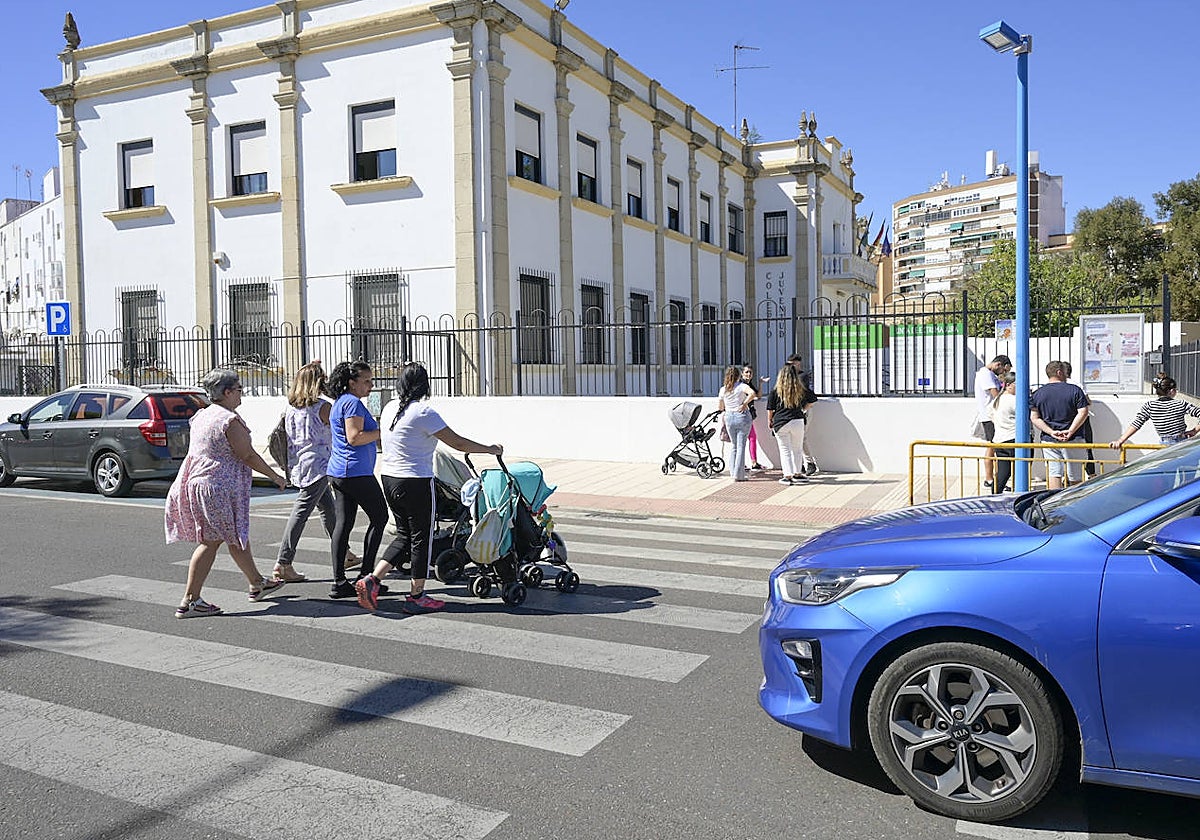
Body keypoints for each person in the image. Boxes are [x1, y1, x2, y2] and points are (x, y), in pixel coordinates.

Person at [355, 362, 505, 613]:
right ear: (424, 385)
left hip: (389, 478)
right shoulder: (423, 412)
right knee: (420, 540)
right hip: (416, 482)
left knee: (404, 535)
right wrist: (490, 449)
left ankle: (372, 579)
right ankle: (417, 596)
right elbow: (457, 442)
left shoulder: (390, 407)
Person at [166, 368, 288, 618]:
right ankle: (190, 600)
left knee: (233, 535)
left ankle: (257, 582)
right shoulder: (228, 420)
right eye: (239, 389)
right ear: (228, 392)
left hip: (200, 483)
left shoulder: (203, 415)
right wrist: (275, 476)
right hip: (216, 487)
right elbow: (248, 455)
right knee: (211, 541)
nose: (242, 393)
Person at [273, 361, 358, 582]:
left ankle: (345, 553)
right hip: (319, 465)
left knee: (328, 509)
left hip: (300, 463)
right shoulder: (323, 407)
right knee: (301, 512)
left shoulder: (291, 408)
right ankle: (283, 562)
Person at [327, 361, 390, 599]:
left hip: (341, 471)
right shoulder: (352, 403)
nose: (371, 385)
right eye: (366, 381)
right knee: (380, 516)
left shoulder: (341, 402)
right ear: (352, 382)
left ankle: (339, 581)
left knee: (344, 524)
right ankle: (366, 577)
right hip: (355, 471)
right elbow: (355, 437)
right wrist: (383, 432)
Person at [1030, 360, 1089, 490]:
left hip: (1049, 440)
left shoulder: (1038, 393)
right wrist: (1070, 431)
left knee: (1054, 473)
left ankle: (1054, 503)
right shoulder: (1075, 390)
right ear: (1059, 372)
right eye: (1065, 373)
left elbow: (1034, 418)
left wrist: (1051, 432)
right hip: (1074, 438)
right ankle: (1077, 504)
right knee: (1076, 475)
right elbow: (1083, 412)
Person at [1110, 373, 1200, 448]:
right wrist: (1194, 431)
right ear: (1172, 391)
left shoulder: (1150, 406)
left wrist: (1120, 440)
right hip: (1181, 443)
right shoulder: (1181, 404)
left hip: (1163, 445)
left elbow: (1136, 424)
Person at [767, 364, 812, 485]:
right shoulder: (800, 389)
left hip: (781, 422)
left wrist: (770, 421)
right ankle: (797, 474)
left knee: (785, 450)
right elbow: (812, 400)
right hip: (798, 421)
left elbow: (770, 409)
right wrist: (803, 410)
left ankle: (787, 476)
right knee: (797, 449)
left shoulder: (775, 391)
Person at [973, 355, 1012, 488]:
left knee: (994, 446)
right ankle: (990, 479)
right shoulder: (986, 374)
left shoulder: (988, 374)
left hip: (991, 416)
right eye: (1004, 370)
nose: (1004, 374)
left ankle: (995, 478)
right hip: (990, 417)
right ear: (999, 364)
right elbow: (995, 394)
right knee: (993, 446)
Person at [718, 364, 757, 481]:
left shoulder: (723, 389)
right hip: (742, 417)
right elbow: (752, 393)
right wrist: (744, 404)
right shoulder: (741, 386)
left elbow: (720, 407)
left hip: (729, 417)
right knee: (741, 446)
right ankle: (739, 475)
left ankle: (733, 472)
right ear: (738, 376)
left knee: (734, 446)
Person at [786, 354, 820, 475]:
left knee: (801, 437)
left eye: (793, 364)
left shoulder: (802, 376)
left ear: (798, 364)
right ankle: (800, 464)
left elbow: (804, 392)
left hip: (804, 409)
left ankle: (809, 463)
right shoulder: (787, 377)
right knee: (794, 438)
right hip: (792, 410)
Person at [990, 372, 1017, 494]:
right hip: (1014, 439)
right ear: (1009, 385)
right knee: (1020, 473)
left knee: (1003, 472)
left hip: (1000, 440)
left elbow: (990, 415)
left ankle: (994, 495)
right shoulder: (1015, 400)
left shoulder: (997, 399)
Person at [740, 364, 770, 471]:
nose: (748, 374)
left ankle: (753, 462)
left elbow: (758, 396)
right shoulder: (742, 385)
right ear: (742, 373)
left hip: (748, 416)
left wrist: (761, 384)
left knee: (751, 438)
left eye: (750, 372)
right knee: (745, 439)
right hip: (743, 416)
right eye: (746, 372)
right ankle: (745, 463)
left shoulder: (749, 385)